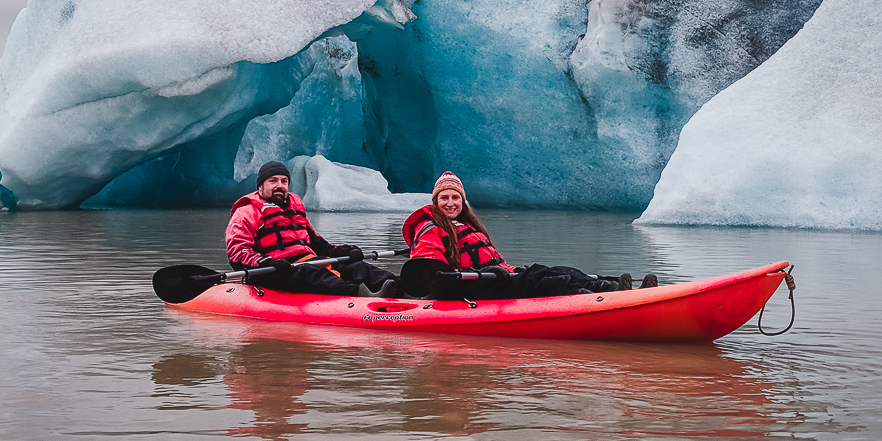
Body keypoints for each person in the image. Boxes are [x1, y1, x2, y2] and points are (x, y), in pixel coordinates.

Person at [398, 171, 657, 299]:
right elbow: (429, 274)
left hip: (493, 278)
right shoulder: (431, 228)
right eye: (444, 198)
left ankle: (615, 290)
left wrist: (508, 270)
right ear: (435, 201)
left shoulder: (468, 226)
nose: (451, 203)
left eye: (456, 197)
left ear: (463, 202)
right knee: (540, 279)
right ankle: (595, 302)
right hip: (474, 287)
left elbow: (493, 262)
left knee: (554, 270)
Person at [227, 161, 396, 296]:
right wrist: (266, 262)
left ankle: (400, 288)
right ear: (260, 187)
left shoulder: (293, 209)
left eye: (284, 181)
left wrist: (344, 251)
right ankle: (357, 295)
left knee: (356, 266)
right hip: (272, 270)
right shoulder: (246, 213)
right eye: (273, 181)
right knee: (311, 272)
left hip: (306, 262)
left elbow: (316, 243)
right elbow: (237, 253)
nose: (280, 185)